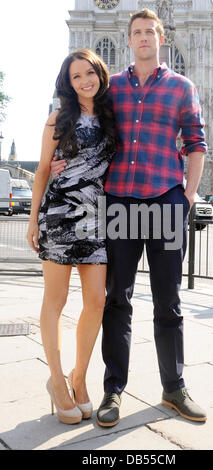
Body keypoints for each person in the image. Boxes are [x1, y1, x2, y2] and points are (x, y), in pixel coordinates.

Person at [52, 8, 208, 427]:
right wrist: (58, 159)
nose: (143, 38)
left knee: (168, 302)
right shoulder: (111, 88)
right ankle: (113, 390)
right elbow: (79, 119)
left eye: (149, 32)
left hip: (165, 202)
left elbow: (197, 143)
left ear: (160, 38)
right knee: (117, 302)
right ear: (129, 40)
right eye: (136, 32)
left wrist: (187, 197)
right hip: (119, 203)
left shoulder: (181, 87)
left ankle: (173, 387)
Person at [26, 49, 116, 424]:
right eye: (76, 76)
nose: (84, 81)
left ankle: (79, 377)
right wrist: (33, 221)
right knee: (56, 301)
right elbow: (44, 171)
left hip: (96, 219)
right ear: (69, 82)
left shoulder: (112, 120)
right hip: (59, 216)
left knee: (96, 301)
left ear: (100, 74)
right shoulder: (57, 121)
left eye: (89, 73)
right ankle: (57, 383)